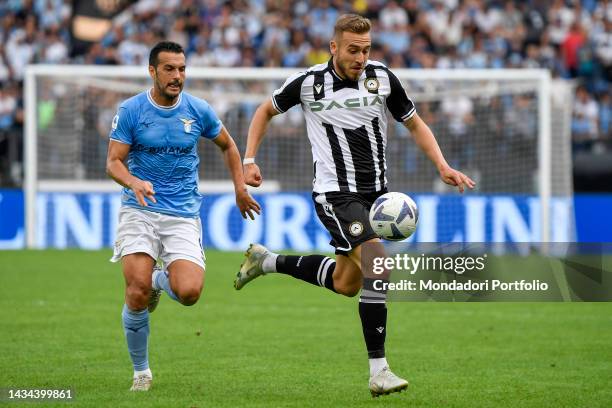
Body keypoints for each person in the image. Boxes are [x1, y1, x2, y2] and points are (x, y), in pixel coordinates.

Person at [234, 14, 474, 397]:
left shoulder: (383, 78)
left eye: (366, 49)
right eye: (352, 50)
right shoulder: (309, 83)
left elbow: (414, 124)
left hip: (377, 197)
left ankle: (267, 261)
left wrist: (442, 165)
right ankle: (379, 371)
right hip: (335, 195)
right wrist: (249, 159)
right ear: (334, 47)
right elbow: (264, 111)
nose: (360, 57)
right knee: (379, 265)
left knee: (347, 283)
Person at [106, 41, 260, 391]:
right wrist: (134, 182)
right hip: (139, 209)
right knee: (136, 290)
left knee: (189, 293)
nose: (178, 76)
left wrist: (239, 188)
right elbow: (113, 162)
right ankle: (141, 373)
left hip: (182, 213)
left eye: (182, 69)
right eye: (170, 69)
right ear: (152, 71)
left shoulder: (199, 109)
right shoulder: (131, 110)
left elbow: (228, 145)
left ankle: (162, 282)